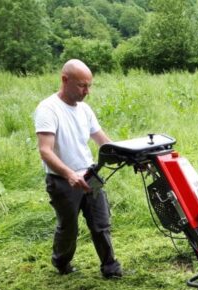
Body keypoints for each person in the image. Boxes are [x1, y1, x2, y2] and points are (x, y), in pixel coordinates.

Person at [34, 59, 122, 278]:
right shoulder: (48, 109)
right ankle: (61, 264)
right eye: (82, 85)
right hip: (62, 181)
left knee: (101, 224)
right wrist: (69, 174)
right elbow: (45, 150)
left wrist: (128, 155)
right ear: (65, 80)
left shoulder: (84, 109)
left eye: (89, 85)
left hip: (89, 175)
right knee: (69, 229)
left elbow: (103, 141)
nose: (87, 91)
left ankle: (111, 268)